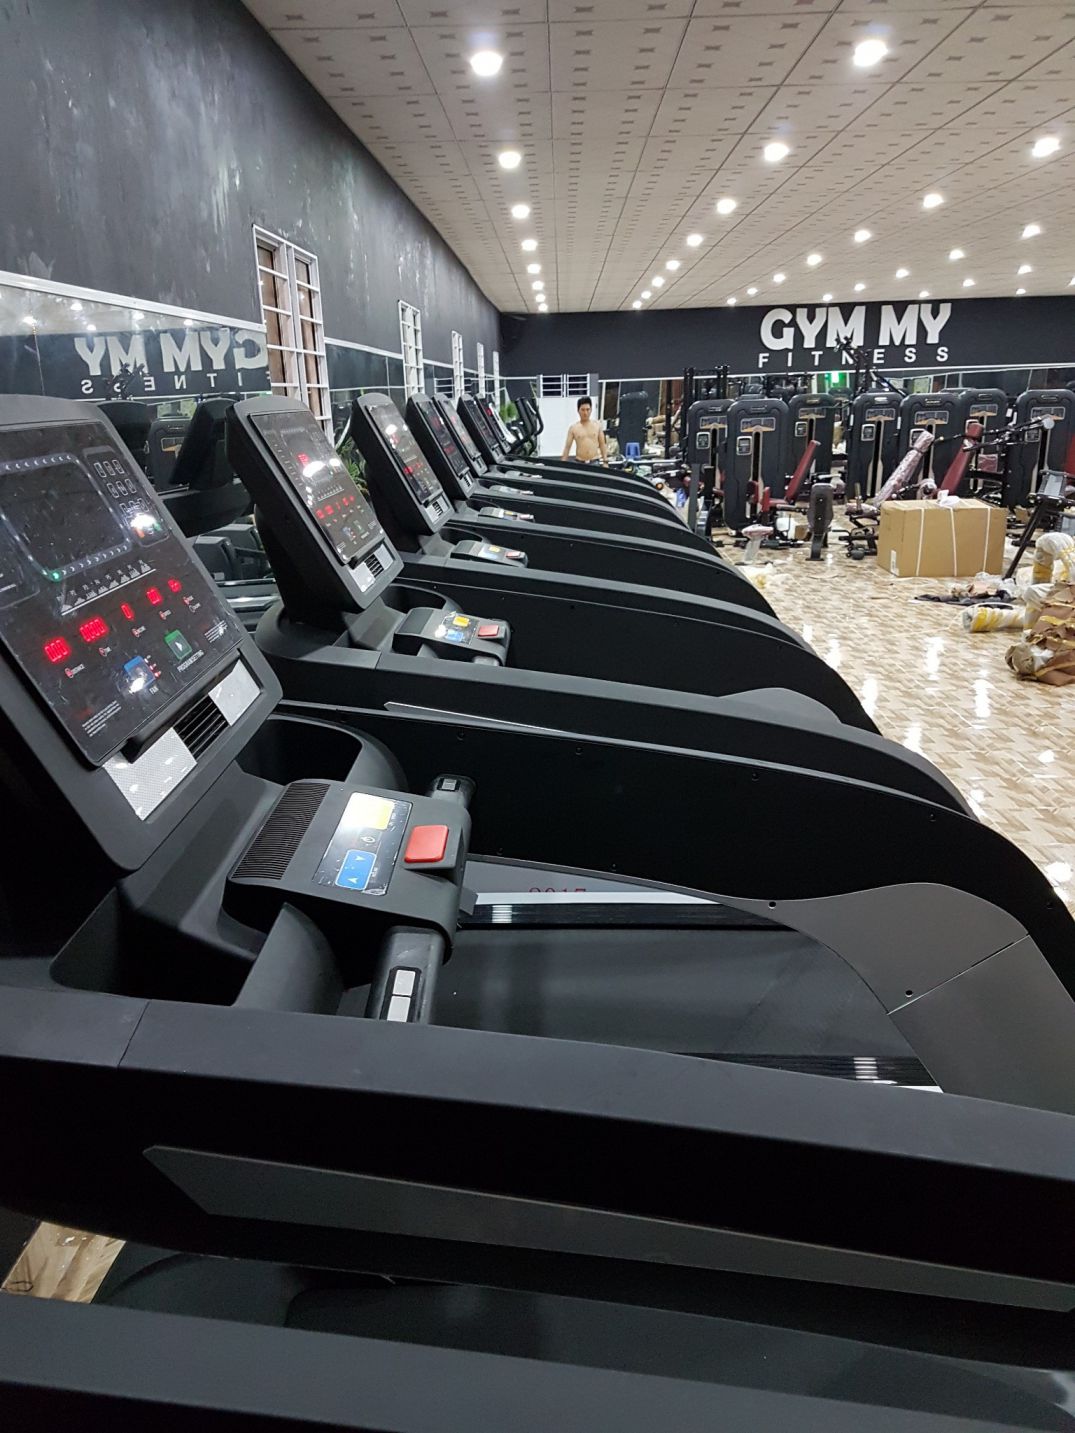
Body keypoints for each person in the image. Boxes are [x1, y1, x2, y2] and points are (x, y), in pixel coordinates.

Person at [562, 396, 608, 465]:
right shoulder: (573, 428)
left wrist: (605, 462)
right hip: (580, 462)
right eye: (583, 410)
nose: (585, 413)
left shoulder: (597, 425)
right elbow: (567, 447)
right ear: (578, 410)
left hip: (594, 462)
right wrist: (562, 464)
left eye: (587, 409)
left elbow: (602, 444)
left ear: (591, 410)